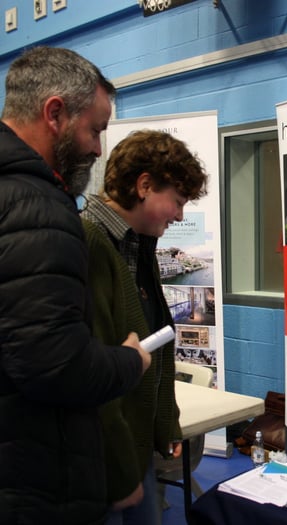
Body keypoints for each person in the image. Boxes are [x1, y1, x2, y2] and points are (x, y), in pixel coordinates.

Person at [0, 46, 151, 524]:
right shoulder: (38, 209)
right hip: (36, 483)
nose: (98, 148)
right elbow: (55, 364)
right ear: (55, 113)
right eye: (95, 129)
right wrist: (130, 359)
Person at [81, 129, 207, 523]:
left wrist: (165, 422)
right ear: (144, 186)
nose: (180, 215)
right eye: (178, 201)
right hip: (103, 463)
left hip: (133, 452)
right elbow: (94, 376)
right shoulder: (88, 242)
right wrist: (121, 474)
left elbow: (156, 342)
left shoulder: (139, 245)